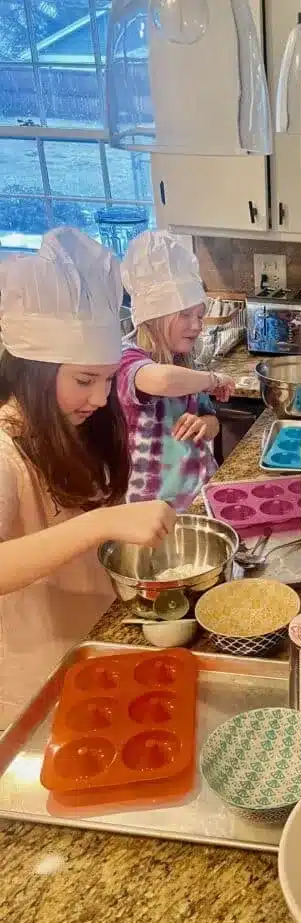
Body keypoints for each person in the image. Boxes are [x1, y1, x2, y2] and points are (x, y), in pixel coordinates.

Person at [0, 227, 176, 729]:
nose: (101, 397)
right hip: (37, 682)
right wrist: (103, 525)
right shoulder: (5, 452)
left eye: (105, 378)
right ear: (33, 370)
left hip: (92, 651)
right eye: (84, 380)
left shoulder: (78, 425)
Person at [119, 231, 235, 511]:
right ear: (153, 315)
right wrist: (214, 380)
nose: (196, 325)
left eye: (199, 315)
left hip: (199, 494)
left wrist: (204, 425)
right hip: (150, 508)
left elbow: (211, 420)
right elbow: (163, 380)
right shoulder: (125, 361)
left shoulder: (184, 361)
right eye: (184, 315)